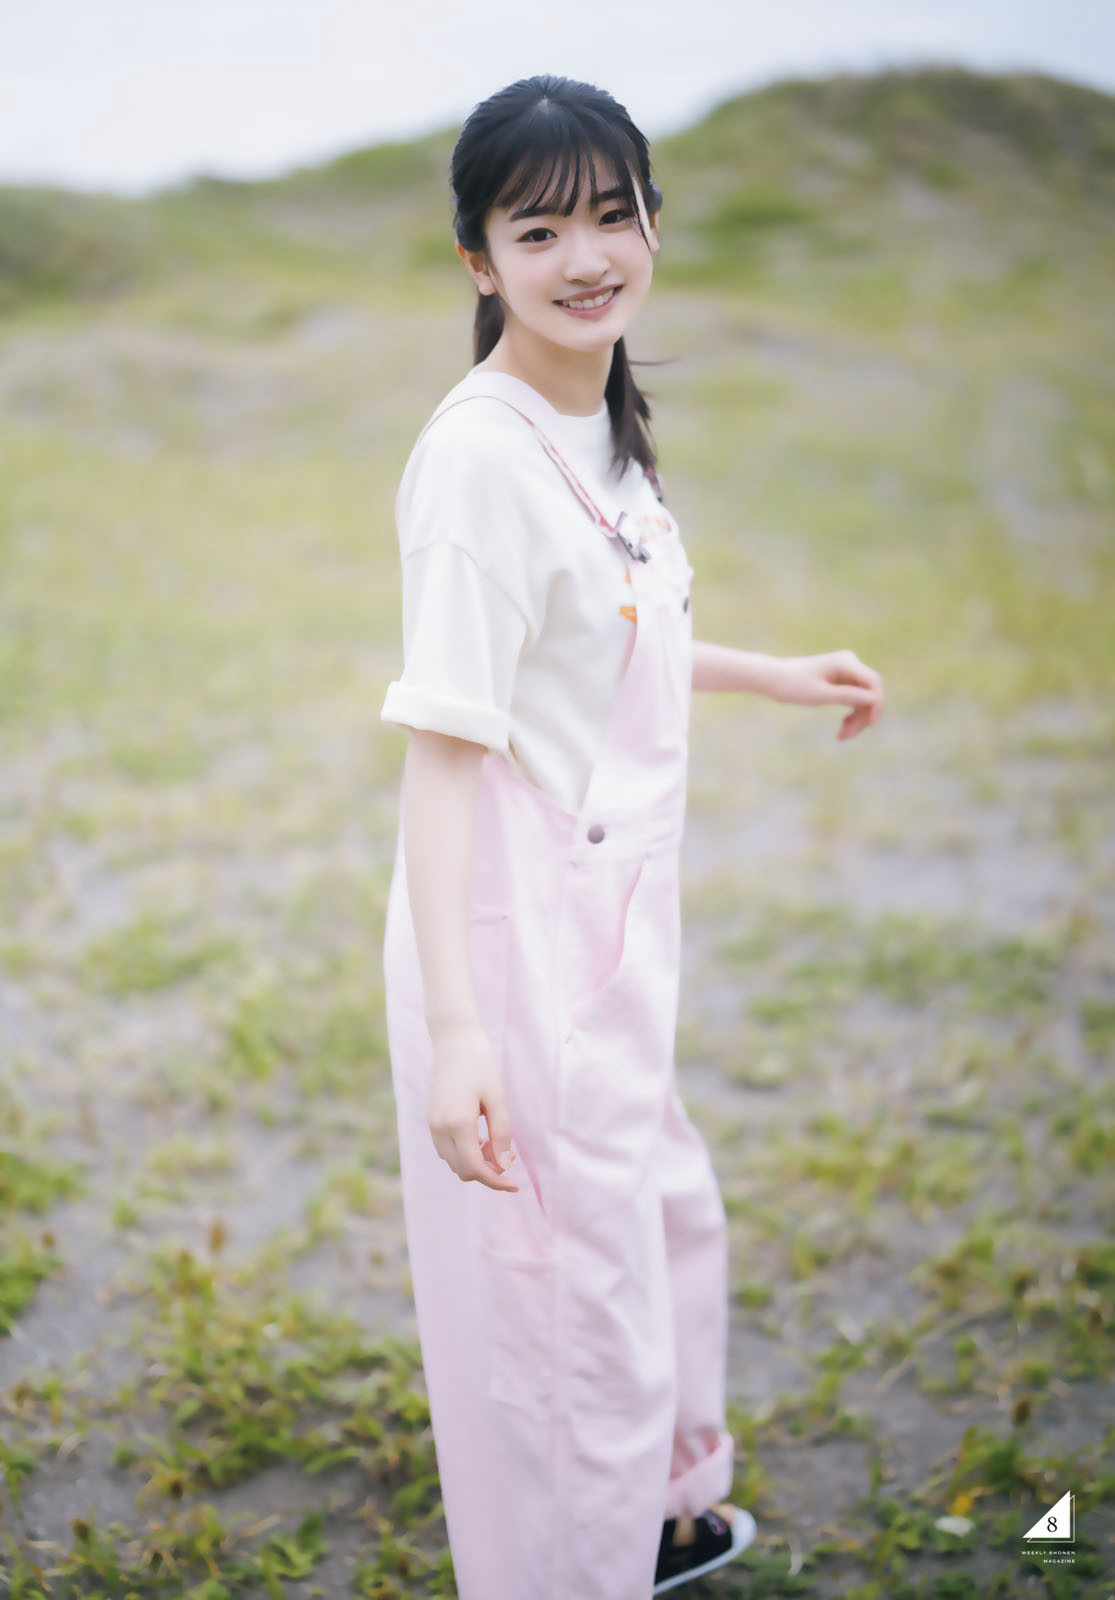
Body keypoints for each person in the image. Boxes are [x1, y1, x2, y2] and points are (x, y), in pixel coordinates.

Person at [379, 73, 886, 1600]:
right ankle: (570, 1572)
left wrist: (771, 673)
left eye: (612, 214)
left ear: (655, 222)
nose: (586, 255)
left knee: (656, 1213)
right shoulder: (476, 462)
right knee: (560, 1296)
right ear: (479, 261)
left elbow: (606, 640)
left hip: (609, 913)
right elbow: (445, 759)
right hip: (515, 934)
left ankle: (657, 1517)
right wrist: (461, 1032)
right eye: (539, 230)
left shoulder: (598, 416)